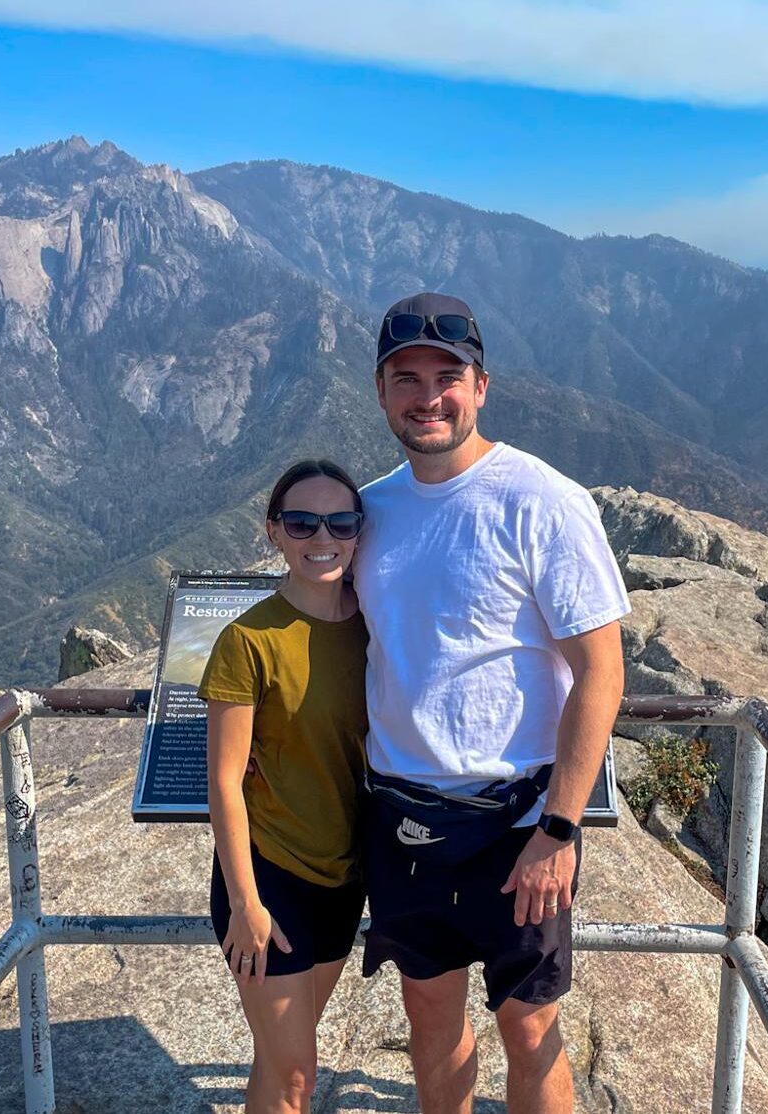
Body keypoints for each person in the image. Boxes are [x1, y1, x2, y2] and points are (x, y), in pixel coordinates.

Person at [354, 292, 628, 1114]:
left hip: (517, 823)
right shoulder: (373, 509)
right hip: (401, 815)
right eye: (405, 378)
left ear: (481, 387)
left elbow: (601, 671)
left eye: (447, 376)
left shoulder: (541, 500)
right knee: (428, 1016)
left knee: (530, 1027)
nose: (426, 396)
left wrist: (558, 828)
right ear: (380, 392)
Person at [199, 459, 370, 1114]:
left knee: (278, 1064)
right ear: (274, 531)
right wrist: (245, 904)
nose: (320, 536)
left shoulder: (373, 625)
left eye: (340, 521)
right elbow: (223, 780)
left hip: (342, 879)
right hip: (270, 880)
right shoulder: (247, 641)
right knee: (297, 1072)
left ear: (358, 531)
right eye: (301, 522)